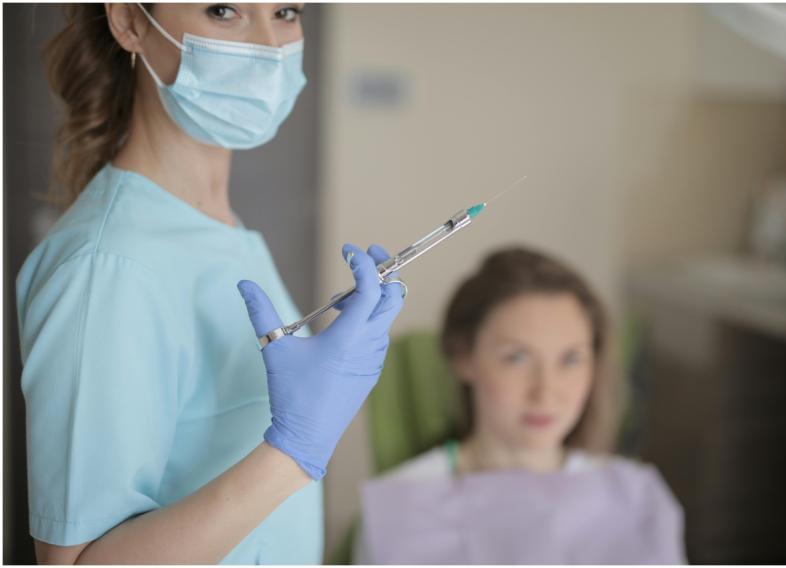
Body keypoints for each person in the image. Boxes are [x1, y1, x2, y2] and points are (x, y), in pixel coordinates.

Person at [16, 3, 404, 564]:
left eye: (286, 12)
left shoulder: (218, 227)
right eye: (224, 11)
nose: (270, 47)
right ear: (129, 21)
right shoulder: (106, 266)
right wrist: (291, 453)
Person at [356, 247, 686, 564]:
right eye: (517, 357)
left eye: (571, 359)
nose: (545, 392)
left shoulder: (637, 498)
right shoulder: (399, 510)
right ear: (463, 356)